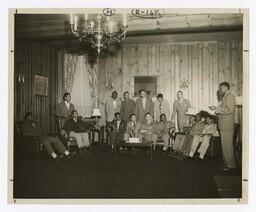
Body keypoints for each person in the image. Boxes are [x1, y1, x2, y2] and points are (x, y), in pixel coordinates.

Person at [209, 82, 237, 171]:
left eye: (221, 88)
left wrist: (217, 109)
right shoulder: (226, 97)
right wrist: (215, 109)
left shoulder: (230, 96)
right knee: (225, 146)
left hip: (227, 126)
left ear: (225, 88)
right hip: (224, 125)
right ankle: (227, 164)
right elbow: (224, 109)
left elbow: (229, 109)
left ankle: (231, 165)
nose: (220, 90)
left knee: (227, 146)